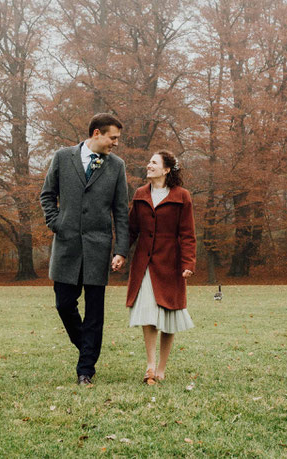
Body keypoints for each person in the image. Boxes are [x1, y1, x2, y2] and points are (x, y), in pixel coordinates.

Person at [40, 113, 130, 386]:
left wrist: (121, 250)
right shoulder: (62, 157)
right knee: (64, 304)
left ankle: (85, 370)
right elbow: (47, 194)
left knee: (94, 312)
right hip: (66, 247)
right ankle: (88, 348)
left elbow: (121, 211)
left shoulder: (117, 166)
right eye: (113, 137)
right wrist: (57, 223)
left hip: (98, 249)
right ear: (96, 134)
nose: (115, 143)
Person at [126, 150, 196, 385]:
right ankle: (150, 366)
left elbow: (187, 234)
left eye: (154, 163)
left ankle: (162, 368)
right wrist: (120, 254)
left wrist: (188, 263)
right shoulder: (140, 194)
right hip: (144, 263)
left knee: (168, 314)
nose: (149, 165)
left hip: (171, 263)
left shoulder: (182, 196)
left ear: (166, 170)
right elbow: (131, 230)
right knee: (147, 311)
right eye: (149, 162)